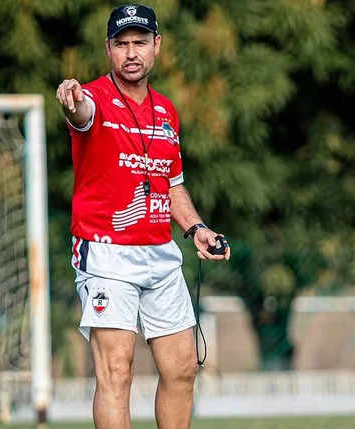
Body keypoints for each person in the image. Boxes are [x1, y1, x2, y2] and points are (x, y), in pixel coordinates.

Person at [56, 4, 230, 428]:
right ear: (108, 50)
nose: (131, 52)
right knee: (117, 372)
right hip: (106, 254)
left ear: (157, 46)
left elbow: (172, 184)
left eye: (139, 42)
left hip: (160, 252)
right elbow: (80, 114)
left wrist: (197, 228)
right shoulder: (94, 98)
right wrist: (71, 100)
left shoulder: (167, 112)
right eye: (121, 44)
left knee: (182, 368)